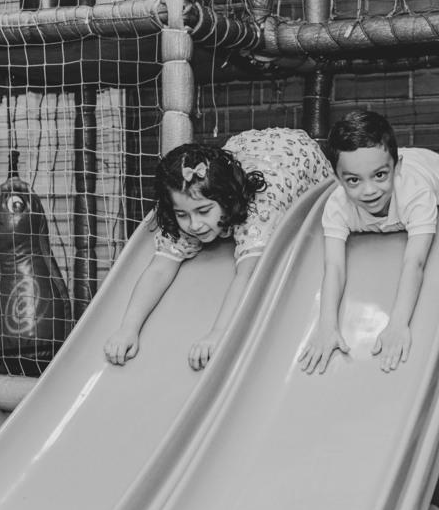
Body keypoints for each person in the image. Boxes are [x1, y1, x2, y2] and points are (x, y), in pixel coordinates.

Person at [104, 127, 332, 370]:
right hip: (244, 145)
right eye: (182, 214)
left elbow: (248, 274)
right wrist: (128, 328)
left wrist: (219, 332)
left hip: (296, 153)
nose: (194, 224)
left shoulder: (259, 211)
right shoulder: (191, 213)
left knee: (328, 199)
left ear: (226, 199)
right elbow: (159, 270)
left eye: (203, 211)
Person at [298, 109, 439, 374]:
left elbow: (415, 261)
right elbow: (334, 267)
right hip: (390, 161)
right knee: (372, 162)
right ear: (337, 179)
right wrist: (326, 326)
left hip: (428, 166)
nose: (369, 190)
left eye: (379, 176)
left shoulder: (415, 194)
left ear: (395, 169)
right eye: (353, 180)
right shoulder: (337, 206)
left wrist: (398, 323)